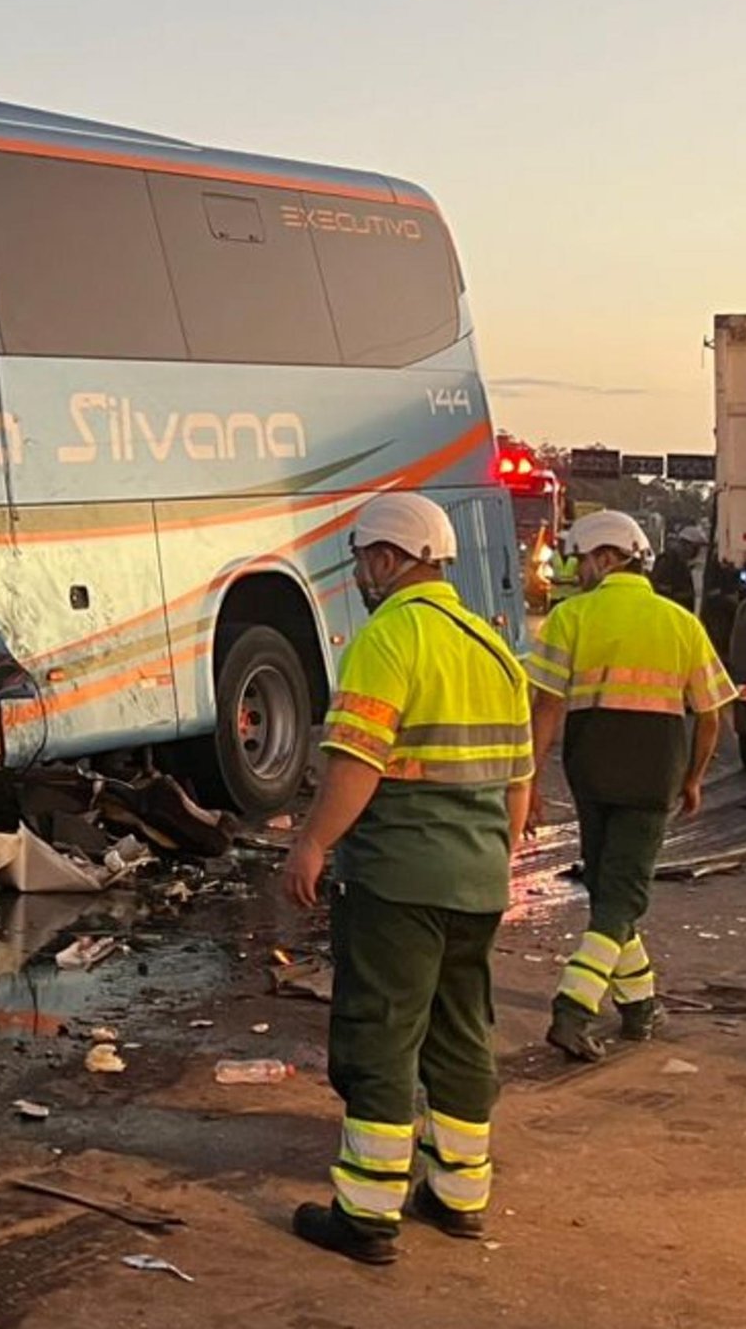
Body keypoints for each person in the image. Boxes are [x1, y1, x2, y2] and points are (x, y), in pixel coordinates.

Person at [281, 492, 535, 1267]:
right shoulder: (492, 648)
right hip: (478, 878)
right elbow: (520, 781)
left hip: (398, 878)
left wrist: (312, 844)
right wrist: (493, 855)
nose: (359, 575)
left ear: (387, 560)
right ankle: (459, 1195)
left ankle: (365, 1214)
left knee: (382, 1036)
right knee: (461, 1032)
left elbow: (355, 761)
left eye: (363, 560)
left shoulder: (388, 637)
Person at [523, 509, 737, 1061]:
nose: (580, 571)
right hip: (653, 773)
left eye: (584, 560)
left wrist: (528, 783)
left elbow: (545, 708)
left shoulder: (571, 618)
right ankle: (573, 1011)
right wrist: (692, 778)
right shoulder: (680, 623)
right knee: (620, 899)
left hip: (590, 769)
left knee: (608, 892)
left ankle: (641, 1008)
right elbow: (711, 715)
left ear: (605, 558)